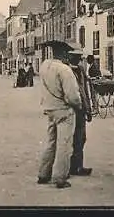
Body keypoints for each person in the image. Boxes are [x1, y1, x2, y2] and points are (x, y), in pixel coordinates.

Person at [37, 40, 82, 189]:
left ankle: (43, 173)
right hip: (64, 111)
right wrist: (79, 105)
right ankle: (60, 177)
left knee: (50, 142)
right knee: (64, 144)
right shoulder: (65, 70)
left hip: (49, 109)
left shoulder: (44, 66)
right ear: (63, 53)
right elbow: (72, 96)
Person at [67, 47, 93, 177]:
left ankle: (78, 165)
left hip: (82, 109)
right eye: (75, 57)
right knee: (73, 138)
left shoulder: (81, 70)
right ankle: (72, 166)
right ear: (70, 57)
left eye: (79, 57)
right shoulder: (67, 71)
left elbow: (85, 90)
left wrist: (88, 108)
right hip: (72, 109)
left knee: (81, 138)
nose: (78, 59)